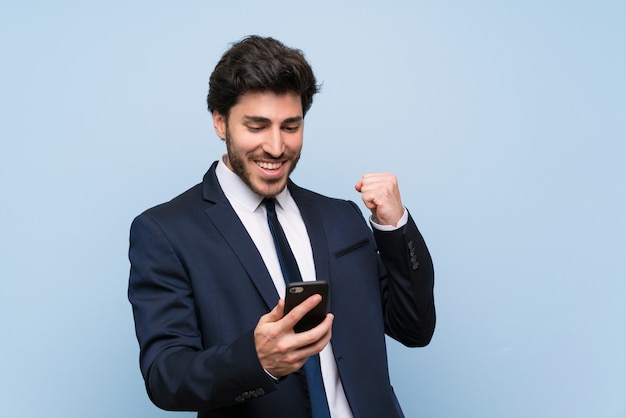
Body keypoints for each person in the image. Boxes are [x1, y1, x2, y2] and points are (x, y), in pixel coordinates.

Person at [128, 35, 435, 418]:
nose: (276, 147)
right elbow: (165, 378)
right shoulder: (165, 232)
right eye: (257, 127)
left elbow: (414, 329)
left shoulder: (341, 217)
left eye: (290, 127)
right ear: (220, 122)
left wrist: (394, 228)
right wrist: (257, 360)